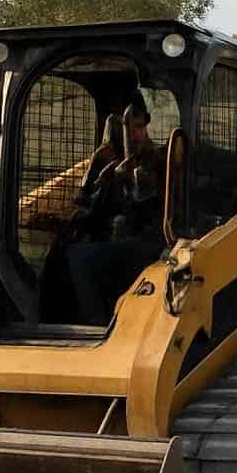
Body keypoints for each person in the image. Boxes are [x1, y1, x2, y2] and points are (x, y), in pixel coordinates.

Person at [58, 92, 168, 325]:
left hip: (152, 242)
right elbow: (86, 203)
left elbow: (146, 205)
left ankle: (96, 323)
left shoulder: (154, 158)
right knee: (66, 251)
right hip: (113, 237)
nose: (136, 134)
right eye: (129, 127)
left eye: (139, 127)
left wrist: (127, 179)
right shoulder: (104, 158)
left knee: (80, 257)